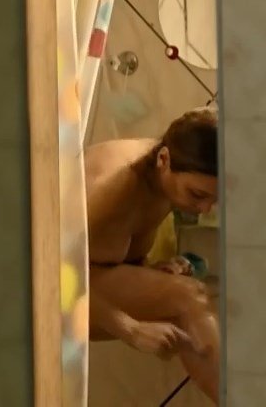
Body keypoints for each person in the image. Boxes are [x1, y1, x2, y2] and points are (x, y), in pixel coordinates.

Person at [85, 106, 220, 404]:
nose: (204, 209)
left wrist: (151, 272)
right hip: (46, 293)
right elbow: (51, 273)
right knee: (189, 298)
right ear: (164, 160)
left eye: (214, 199)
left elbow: (109, 255)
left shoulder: (162, 178)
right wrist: (129, 329)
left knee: (188, 301)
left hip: (89, 285)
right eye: (198, 195)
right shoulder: (115, 187)